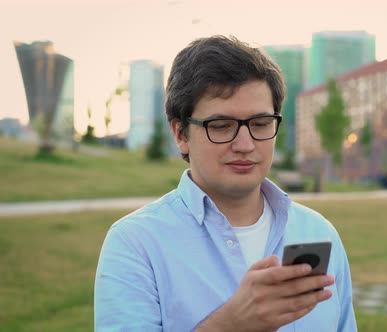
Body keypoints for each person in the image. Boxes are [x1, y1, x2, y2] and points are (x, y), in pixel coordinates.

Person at [94, 35, 357, 332]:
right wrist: (231, 325)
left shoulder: (319, 233)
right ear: (180, 134)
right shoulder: (135, 244)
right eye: (221, 126)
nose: (245, 144)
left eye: (260, 124)